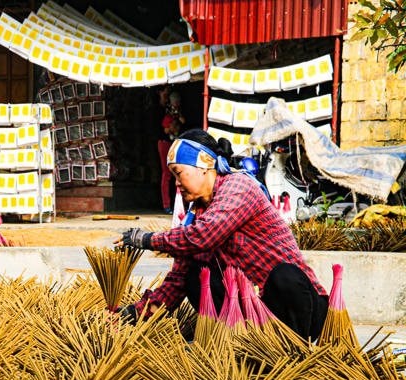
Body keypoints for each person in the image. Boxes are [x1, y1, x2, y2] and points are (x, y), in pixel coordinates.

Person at [116, 128, 328, 341]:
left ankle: (296, 346)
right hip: (257, 313)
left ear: (204, 166)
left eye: (179, 173)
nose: (177, 184)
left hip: (300, 307)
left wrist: (146, 240)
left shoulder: (238, 186)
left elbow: (203, 235)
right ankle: (241, 341)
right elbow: (177, 281)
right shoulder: (196, 214)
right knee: (195, 276)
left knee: (284, 275)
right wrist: (133, 314)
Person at [157, 90, 185, 215]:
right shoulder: (166, 111)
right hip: (165, 143)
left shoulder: (177, 112)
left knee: (177, 173)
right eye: (175, 101)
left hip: (174, 143)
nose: (176, 103)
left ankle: (177, 204)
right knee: (167, 173)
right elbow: (166, 130)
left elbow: (183, 121)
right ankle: (167, 205)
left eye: (178, 102)